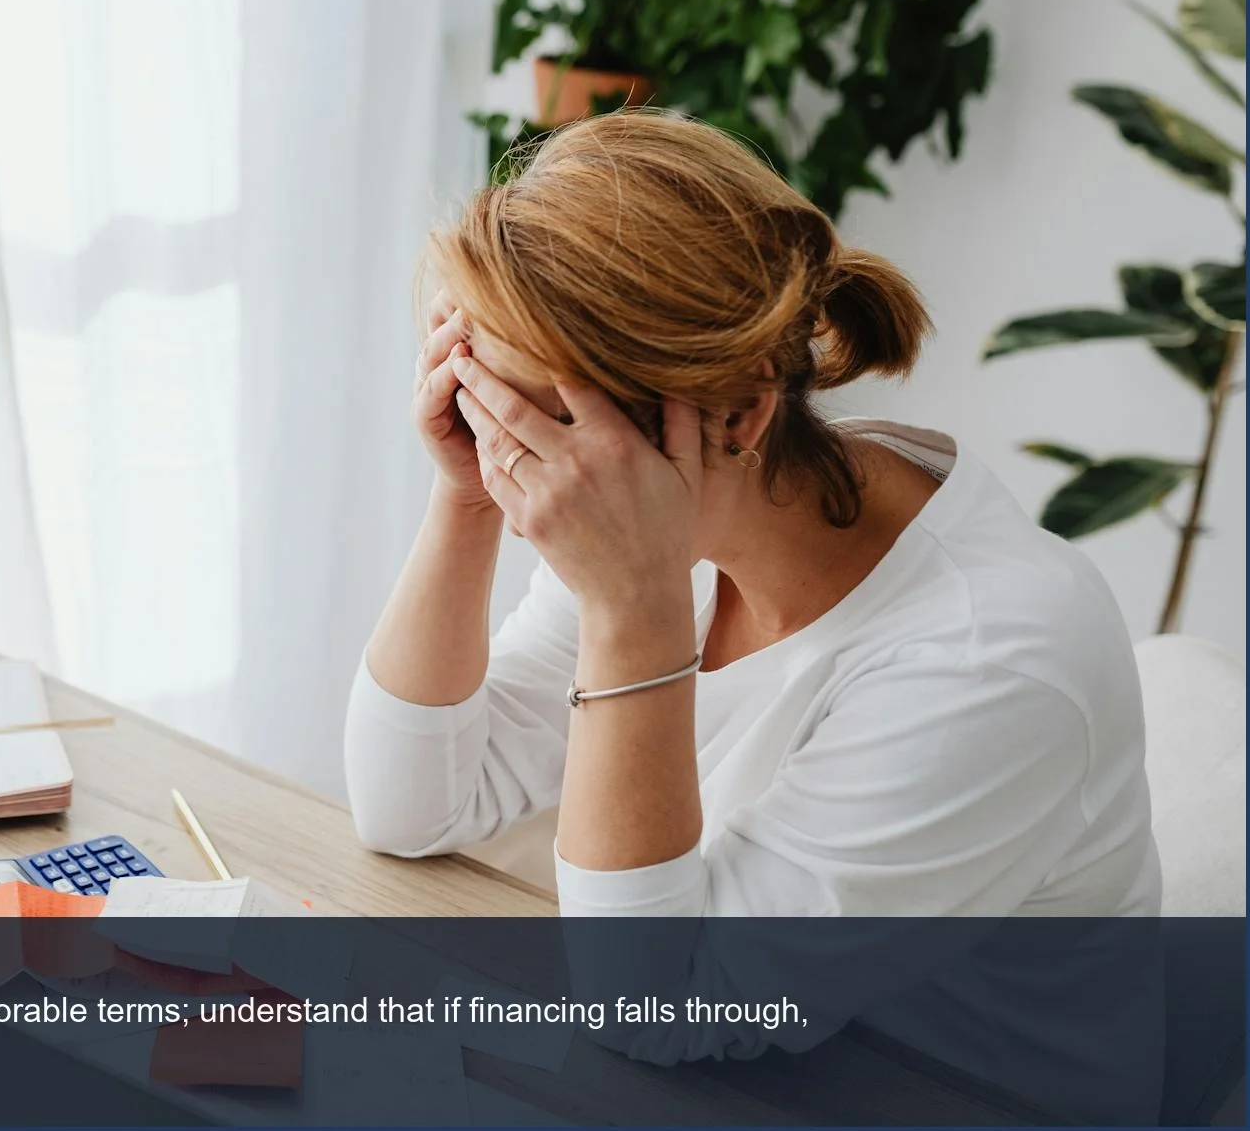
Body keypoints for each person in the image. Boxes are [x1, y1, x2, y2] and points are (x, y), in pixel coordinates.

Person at [343, 111, 1163, 1116]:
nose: (523, 475)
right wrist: (462, 496)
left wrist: (632, 608)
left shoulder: (990, 659)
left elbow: (646, 1012)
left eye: (528, 424)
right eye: (478, 406)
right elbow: (411, 806)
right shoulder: (667, 500)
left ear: (736, 414)